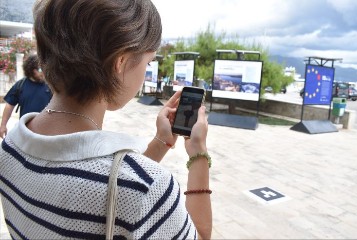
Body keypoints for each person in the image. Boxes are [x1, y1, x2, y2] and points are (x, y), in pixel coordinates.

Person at [0, 0, 212, 239]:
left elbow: (103, 180)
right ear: (119, 62)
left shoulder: (9, 149)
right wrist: (198, 155)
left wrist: (162, 141)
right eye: (148, 61)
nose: (146, 70)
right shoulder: (149, 188)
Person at [0, 54, 52, 138]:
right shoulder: (20, 85)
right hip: (25, 131)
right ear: (31, 70)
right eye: (40, 69)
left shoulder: (50, 86)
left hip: (46, 132)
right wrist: (3, 125)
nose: (44, 72)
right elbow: (9, 105)